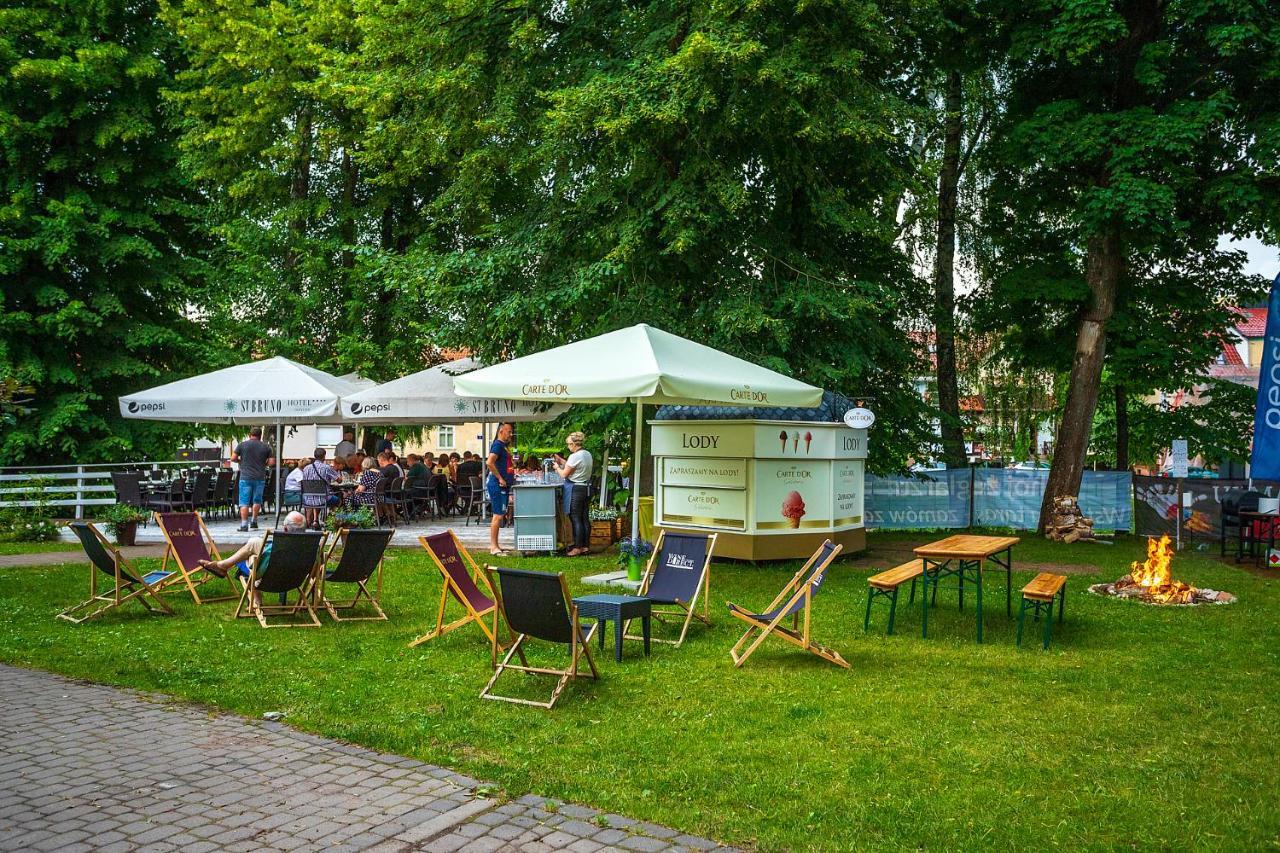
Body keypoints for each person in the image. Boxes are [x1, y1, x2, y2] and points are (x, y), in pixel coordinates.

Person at [198, 510, 306, 609]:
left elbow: (262, 565)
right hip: (294, 581)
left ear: (286, 529)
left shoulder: (279, 548)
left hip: (269, 580)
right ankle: (224, 566)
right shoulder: (309, 548)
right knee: (254, 550)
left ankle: (223, 567)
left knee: (253, 547)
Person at [554, 431, 594, 556]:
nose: (568, 446)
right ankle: (585, 546)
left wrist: (557, 467)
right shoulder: (587, 454)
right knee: (584, 518)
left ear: (573, 444)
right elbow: (573, 466)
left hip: (575, 489)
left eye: (568, 444)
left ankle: (577, 547)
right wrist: (561, 461)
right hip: (585, 488)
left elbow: (564, 474)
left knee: (575, 518)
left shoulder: (575, 456)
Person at [232, 427, 275, 532]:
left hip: (245, 477)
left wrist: (241, 461)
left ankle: (244, 525)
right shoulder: (266, 447)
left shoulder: (242, 445)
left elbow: (233, 458)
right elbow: (271, 463)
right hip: (259, 477)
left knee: (244, 502)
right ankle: (254, 521)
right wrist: (263, 463)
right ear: (260, 435)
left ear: (249, 434)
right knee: (257, 500)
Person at [486, 422, 514, 555]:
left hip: (503, 484)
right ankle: (493, 546)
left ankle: (496, 544)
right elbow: (489, 462)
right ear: (501, 431)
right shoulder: (497, 445)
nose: (511, 434)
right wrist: (500, 478)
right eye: (509, 431)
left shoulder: (503, 446)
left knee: (501, 513)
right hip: (498, 484)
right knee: (497, 515)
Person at [301, 448, 338, 530]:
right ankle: (331, 521)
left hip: (307, 499)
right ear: (324, 456)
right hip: (323, 499)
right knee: (338, 500)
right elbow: (339, 479)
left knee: (316, 497)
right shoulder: (326, 468)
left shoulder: (306, 468)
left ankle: (315, 520)